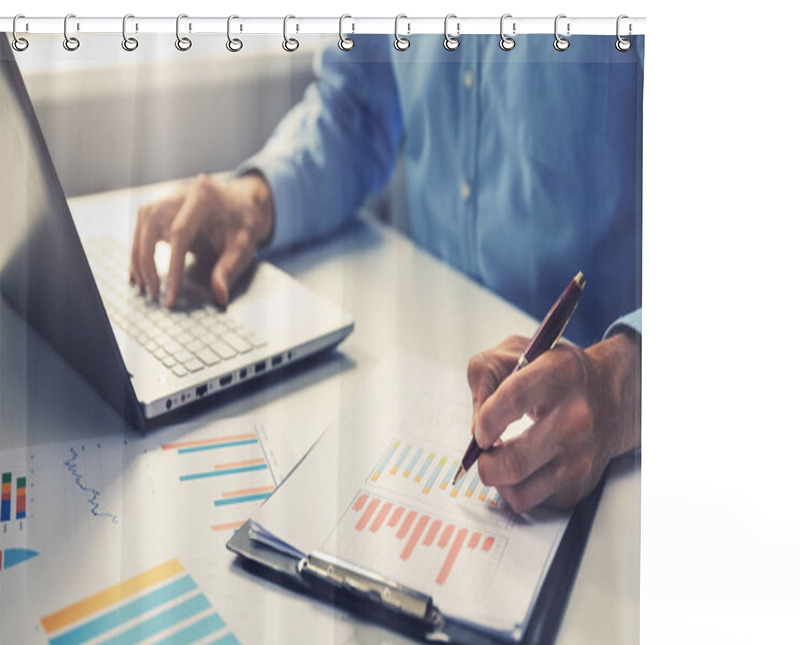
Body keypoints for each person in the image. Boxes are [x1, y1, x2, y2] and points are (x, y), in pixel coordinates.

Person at [129, 34, 642, 513]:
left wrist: (614, 387)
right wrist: (257, 199)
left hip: (617, 462)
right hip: (421, 357)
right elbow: (355, 107)